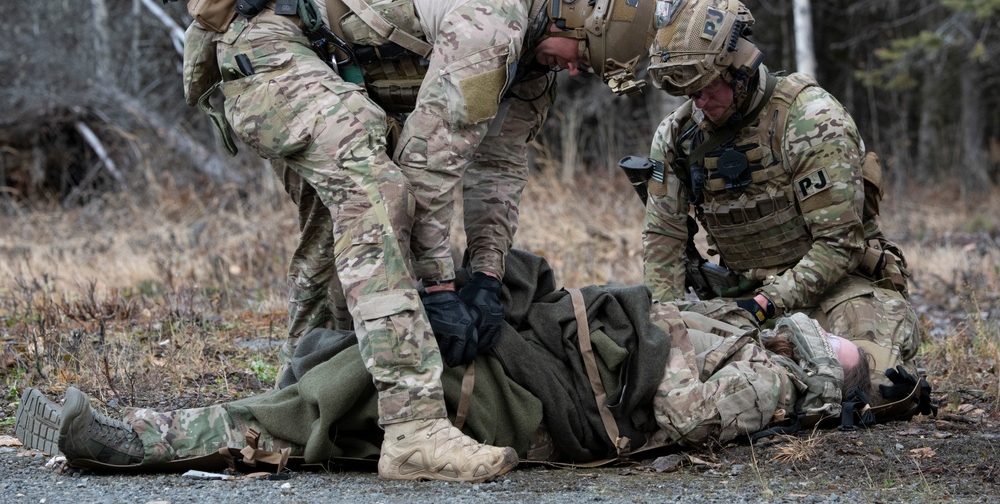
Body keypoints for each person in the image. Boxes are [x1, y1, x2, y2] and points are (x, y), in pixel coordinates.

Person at [179, 0, 661, 482]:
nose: (577, 69)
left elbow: (498, 171)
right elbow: (428, 170)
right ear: (575, 14)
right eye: (585, 55)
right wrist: (436, 288)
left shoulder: (534, 58)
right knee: (378, 195)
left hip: (317, 61)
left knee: (339, 230)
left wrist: (484, 276)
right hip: (264, 44)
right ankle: (412, 429)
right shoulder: (495, 20)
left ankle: (305, 390)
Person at [14, 250, 886, 473]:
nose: (834, 343)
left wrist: (808, 370)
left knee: (332, 414)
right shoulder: (728, 327)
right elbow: (611, 312)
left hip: (526, 397)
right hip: (530, 357)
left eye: (842, 354)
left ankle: (134, 437)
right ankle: (139, 435)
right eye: (841, 346)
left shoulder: (767, 381)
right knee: (337, 391)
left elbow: (679, 412)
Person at [640, 0, 921, 385]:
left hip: (837, 292)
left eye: (708, 88)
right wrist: (666, 324)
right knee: (667, 377)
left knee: (866, 382)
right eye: (689, 93)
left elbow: (837, 246)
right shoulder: (677, 136)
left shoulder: (809, 120)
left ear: (739, 70)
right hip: (743, 299)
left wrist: (765, 305)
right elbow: (663, 236)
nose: (699, 103)